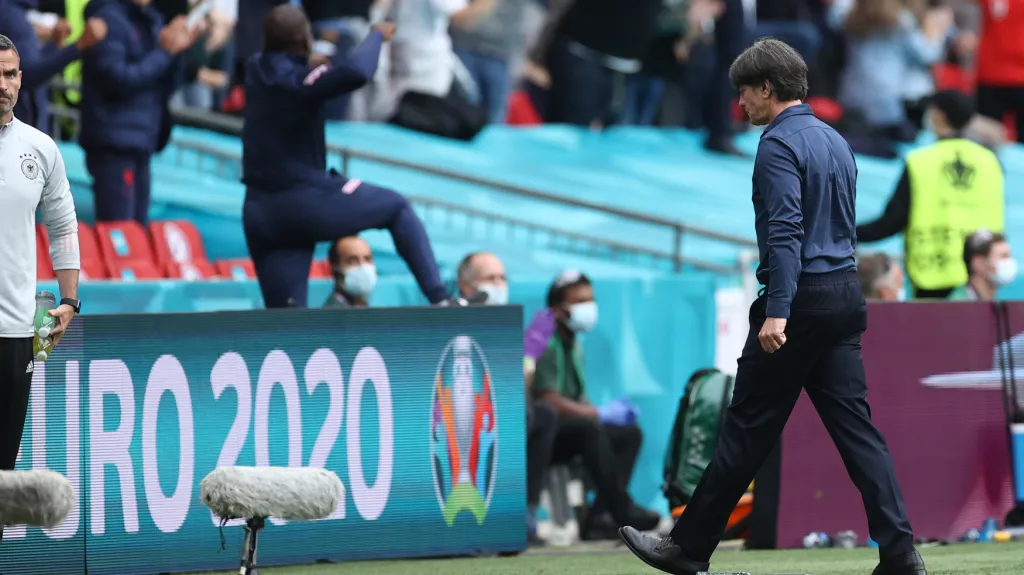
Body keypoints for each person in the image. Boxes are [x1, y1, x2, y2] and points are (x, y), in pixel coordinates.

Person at [619, 38, 924, 575]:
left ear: (767, 88)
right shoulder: (834, 139)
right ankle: (900, 551)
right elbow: (842, 225)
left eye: (745, 91)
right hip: (844, 291)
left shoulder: (778, 145)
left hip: (799, 298)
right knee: (859, 434)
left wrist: (778, 308)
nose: (740, 102)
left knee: (747, 428)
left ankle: (689, 547)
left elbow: (785, 232)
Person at [241, 5, 449, 308]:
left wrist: (309, 61)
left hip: (261, 212)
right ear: (305, 39)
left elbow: (287, 64)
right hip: (303, 201)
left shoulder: (257, 68)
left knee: (285, 325)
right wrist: (376, 35)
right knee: (396, 208)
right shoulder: (302, 83)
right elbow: (358, 72)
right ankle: (441, 300)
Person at [0, 34, 82, 545]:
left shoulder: (40, 147)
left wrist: (70, 299)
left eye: (9, 74)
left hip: (13, 333)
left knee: (4, 473)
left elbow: (63, 225)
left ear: (21, 79)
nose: (1, 86)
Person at [532, 270, 661, 541]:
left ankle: (600, 518)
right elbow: (548, 399)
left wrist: (605, 414)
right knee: (588, 430)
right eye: (579, 302)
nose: (588, 308)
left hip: (570, 431)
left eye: (590, 300)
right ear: (558, 310)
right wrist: (598, 413)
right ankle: (623, 511)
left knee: (628, 433)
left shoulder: (573, 345)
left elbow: (577, 397)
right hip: (543, 438)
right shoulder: (544, 339)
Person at [856, 90, 1005, 299]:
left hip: (931, 274)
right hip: (979, 276)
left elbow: (892, 221)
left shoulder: (920, 161)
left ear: (938, 115)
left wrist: (850, 233)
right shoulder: (990, 162)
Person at [455, 251, 557, 546]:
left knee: (542, 415)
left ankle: (525, 514)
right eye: (491, 279)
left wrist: (527, 360)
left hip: (506, 413)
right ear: (466, 286)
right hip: (466, 419)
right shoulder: (455, 321)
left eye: (503, 278)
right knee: (519, 415)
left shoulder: (504, 326)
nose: (500, 284)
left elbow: (518, 391)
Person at [79, 0, 199, 224]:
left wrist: (178, 51)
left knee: (138, 238)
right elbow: (117, 79)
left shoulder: (151, 19)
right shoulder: (108, 18)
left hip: (142, 141)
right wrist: (165, 53)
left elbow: (164, 85)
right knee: (120, 237)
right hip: (113, 143)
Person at [0, 1, 107, 133]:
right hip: (16, 132)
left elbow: (30, 64)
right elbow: (25, 76)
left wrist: (54, 45)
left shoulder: (15, 13)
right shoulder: (10, 16)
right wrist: (78, 46)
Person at [950, 230, 1018, 301]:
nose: (1009, 262)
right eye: (1003, 256)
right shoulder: (957, 306)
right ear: (978, 263)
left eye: (1009, 256)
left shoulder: (995, 304)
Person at [324, 235, 377, 308]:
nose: (363, 266)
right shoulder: (330, 315)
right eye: (352, 260)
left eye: (367, 259)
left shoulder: (364, 308)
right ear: (334, 269)